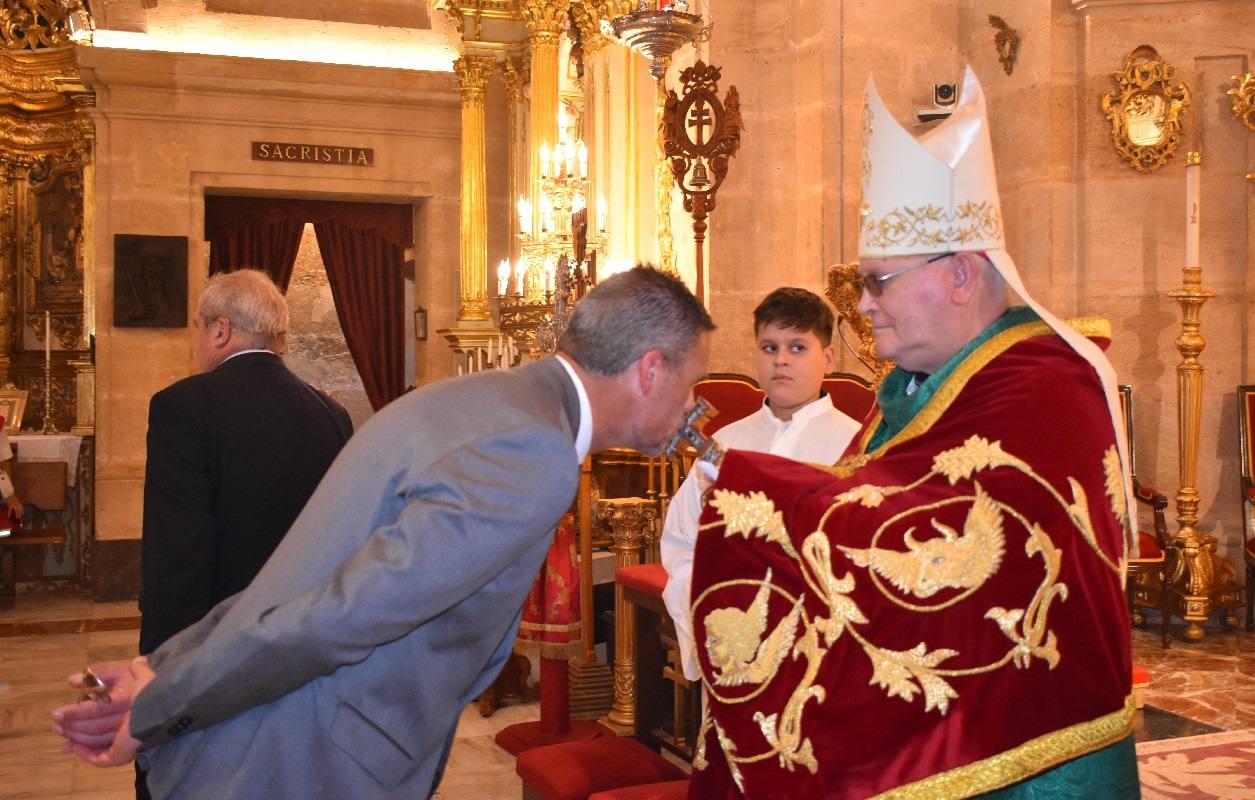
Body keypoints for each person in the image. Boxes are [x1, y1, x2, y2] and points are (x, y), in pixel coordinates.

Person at [53, 266, 714, 800]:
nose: (692, 406)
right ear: (650, 369)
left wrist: (158, 664)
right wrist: (159, 702)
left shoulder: (478, 399)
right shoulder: (534, 454)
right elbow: (336, 616)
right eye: (690, 384)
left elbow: (309, 569)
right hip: (301, 762)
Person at [683, 68, 1138, 798]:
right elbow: (873, 499)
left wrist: (743, 479)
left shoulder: (1042, 386)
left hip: (1017, 755)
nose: (862, 305)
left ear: (959, 273)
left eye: (877, 282)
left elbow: (941, 550)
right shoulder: (919, 384)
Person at [136, 268, 353, 799]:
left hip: (216, 651)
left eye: (196, 328)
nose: (196, 340)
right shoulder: (332, 415)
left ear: (220, 330)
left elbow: (178, 555)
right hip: (300, 651)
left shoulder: (183, 407)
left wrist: (162, 669)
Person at [660, 287, 861, 680]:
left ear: (829, 358)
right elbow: (681, 543)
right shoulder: (725, 444)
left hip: (820, 652)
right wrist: (717, 605)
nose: (781, 360)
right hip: (732, 642)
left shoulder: (855, 446)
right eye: (769, 347)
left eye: (798, 348)